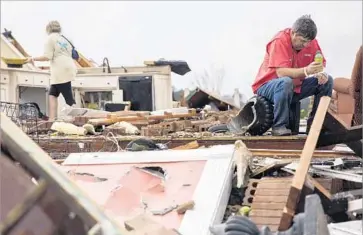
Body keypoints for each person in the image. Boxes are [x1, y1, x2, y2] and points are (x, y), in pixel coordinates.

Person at [251, 15, 333, 136]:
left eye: (308, 42)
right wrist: (306, 71)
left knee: (327, 81)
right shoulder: (279, 40)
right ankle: (279, 126)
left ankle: (316, 125)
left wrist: (319, 72)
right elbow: (281, 73)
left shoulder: (312, 43)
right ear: (293, 33)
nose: (305, 45)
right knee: (285, 81)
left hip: (293, 87)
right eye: (302, 41)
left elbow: (321, 62)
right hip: (268, 86)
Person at [26, 20, 77, 121]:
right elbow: (65, 56)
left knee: (68, 98)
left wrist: (32, 59)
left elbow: (47, 56)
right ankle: (52, 119)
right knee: (52, 94)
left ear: (48, 29)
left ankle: (77, 118)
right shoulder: (65, 38)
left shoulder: (50, 39)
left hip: (60, 70)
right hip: (68, 67)